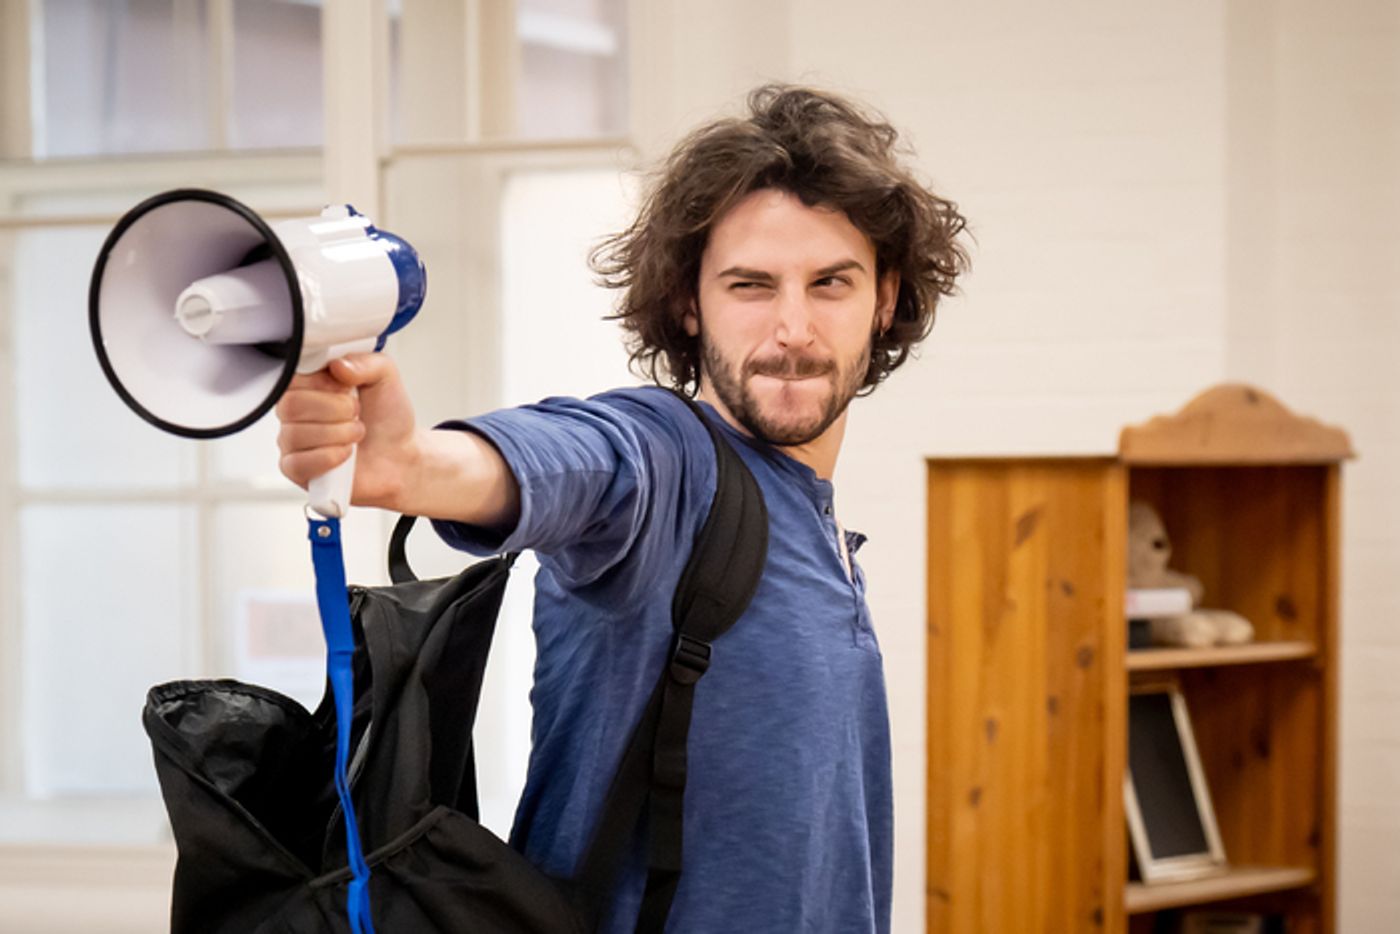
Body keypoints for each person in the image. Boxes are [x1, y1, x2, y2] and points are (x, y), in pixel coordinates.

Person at [276, 84, 968, 934]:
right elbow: (583, 458)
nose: (793, 327)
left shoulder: (823, 532)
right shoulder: (668, 463)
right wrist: (414, 466)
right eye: (751, 286)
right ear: (689, 302)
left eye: (830, 283)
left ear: (885, 298)